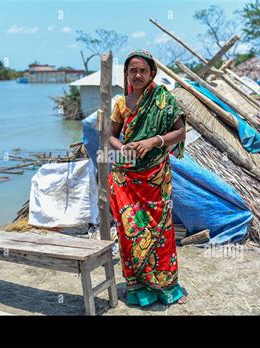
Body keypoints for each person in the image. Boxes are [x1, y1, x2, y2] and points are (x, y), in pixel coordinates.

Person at [108, 49, 188, 307]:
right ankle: (138, 290)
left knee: (161, 232)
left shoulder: (164, 100)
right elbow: (111, 136)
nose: (138, 74)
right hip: (126, 179)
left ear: (153, 73)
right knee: (131, 232)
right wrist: (122, 149)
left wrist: (155, 140)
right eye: (133, 70)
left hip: (156, 178)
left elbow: (181, 132)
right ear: (127, 74)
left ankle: (165, 288)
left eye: (143, 70)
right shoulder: (121, 103)